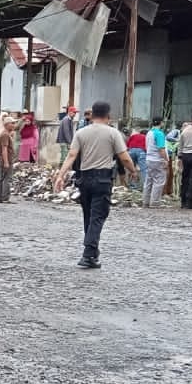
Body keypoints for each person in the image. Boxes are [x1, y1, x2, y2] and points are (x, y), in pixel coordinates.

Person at [57, 101, 137, 269]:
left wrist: (60, 175)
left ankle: (92, 254)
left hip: (84, 179)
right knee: (98, 216)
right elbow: (124, 157)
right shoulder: (113, 133)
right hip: (102, 179)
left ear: (92, 115)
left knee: (89, 215)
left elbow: (71, 155)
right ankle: (88, 253)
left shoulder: (81, 132)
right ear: (108, 116)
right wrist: (133, 171)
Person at [143, 117, 170, 207]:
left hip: (149, 159)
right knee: (159, 181)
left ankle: (146, 201)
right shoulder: (159, 133)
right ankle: (155, 202)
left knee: (149, 181)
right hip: (158, 159)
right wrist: (166, 160)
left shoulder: (149, 133)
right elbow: (161, 149)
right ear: (161, 123)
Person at [0, 117, 17, 203]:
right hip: (6, 159)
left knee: (2, 178)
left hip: (4, 159)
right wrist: (6, 162)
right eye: (12, 123)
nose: (14, 125)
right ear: (7, 124)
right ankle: (5, 197)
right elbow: (4, 149)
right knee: (6, 178)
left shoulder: (6, 134)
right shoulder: (5, 135)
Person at [126, 125, 148, 191]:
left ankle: (133, 185)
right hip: (141, 151)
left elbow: (127, 145)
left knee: (132, 168)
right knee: (143, 169)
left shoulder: (133, 136)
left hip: (131, 151)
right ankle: (144, 186)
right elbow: (146, 147)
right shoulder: (145, 137)